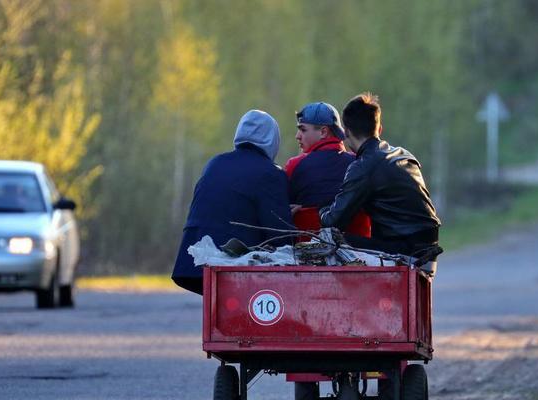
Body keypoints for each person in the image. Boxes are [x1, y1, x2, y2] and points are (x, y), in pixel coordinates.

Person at [171, 110, 294, 295]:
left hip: (195, 260)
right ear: (272, 140)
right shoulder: (270, 173)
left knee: (216, 319)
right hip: (232, 264)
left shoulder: (216, 162)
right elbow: (280, 234)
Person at [319, 93, 441, 259]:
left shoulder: (363, 166)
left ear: (346, 132)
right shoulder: (403, 154)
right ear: (379, 129)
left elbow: (333, 221)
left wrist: (322, 209)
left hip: (405, 248)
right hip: (429, 242)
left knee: (330, 240)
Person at [284, 102, 370, 238]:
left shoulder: (295, 165)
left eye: (303, 129)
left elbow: (282, 212)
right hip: (361, 253)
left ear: (323, 132)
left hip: (307, 252)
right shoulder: (362, 163)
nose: (297, 136)